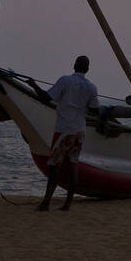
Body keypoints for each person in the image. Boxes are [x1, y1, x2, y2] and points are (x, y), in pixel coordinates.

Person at [36, 55, 99, 212]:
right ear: (87, 69)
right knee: (73, 164)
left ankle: (46, 203)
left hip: (64, 129)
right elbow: (95, 109)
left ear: (74, 65)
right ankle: (67, 204)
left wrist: (33, 86)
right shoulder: (91, 87)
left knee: (53, 166)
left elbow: (46, 98)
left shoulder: (65, 81)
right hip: (79, 131)